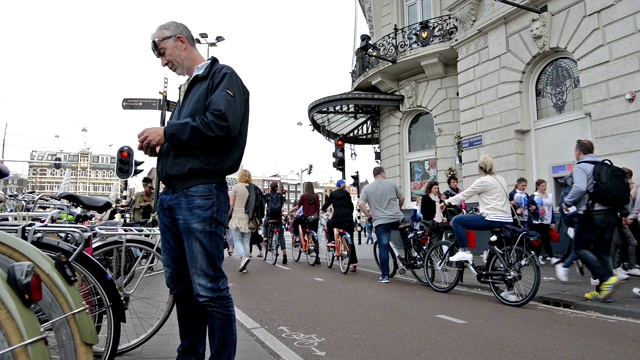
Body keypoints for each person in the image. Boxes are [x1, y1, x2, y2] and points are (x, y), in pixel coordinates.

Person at [137, 21, 249, 360]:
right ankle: (189, 354)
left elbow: (221, 124)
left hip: (199, 193)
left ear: (180, 40)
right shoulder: (188, 90)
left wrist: (168, 133)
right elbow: (195, 135)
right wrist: (164, 148)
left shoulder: (222, 77)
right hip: (174, 197)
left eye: (161, 51)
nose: (162, 61)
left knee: (209, 289)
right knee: (183, 289)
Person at [562, 139, 627, 302]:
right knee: (603, 252)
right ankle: (604, 292)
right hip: (611, 215)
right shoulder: (605, 165)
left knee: (579, 247)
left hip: (591, 215)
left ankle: (608, 278)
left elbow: (580, 188)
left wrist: (567, 202)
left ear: (578, 152)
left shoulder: (581, 167)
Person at [440, 155, 513, 264]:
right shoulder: (501, 179)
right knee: (494, 246)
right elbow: (497, 198)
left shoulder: (483, 181)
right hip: (507, 219)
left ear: (480, 168)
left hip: (492, 219)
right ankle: (491, 268)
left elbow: (465, 194)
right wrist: (482, 207)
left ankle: (464, 251)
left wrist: (446, 202)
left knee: (457, 221)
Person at [358, 166, 405, 283]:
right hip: (396, 218)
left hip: (381, 221)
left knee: (383, 247)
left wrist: (368, 215)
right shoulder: (391, 184)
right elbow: (402, 197)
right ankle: (411, 258)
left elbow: (361, 204)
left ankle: (385, 276)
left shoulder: (367, 188)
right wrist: (399, 208)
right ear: (383, 173)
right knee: (406, 237)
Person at [322, 180, 358, 271]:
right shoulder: (347, 194)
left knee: (329, 223)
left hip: (337, 219)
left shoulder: (333, 194)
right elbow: (351, 206)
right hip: (348, 220)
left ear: (337, 186)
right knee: (351, 242)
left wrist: (323, 210)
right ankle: (354, 262)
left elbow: (327, 204)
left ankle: (332, 241)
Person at [229, 169, 255, 271]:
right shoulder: (252, 188)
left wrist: (229, 213)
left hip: (238, 216)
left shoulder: (236, 187)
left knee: (237, 240)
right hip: (249, 217)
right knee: (246, 241)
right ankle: (244, 267)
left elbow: (232, 204)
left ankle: (243, 257)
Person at [528, 179, 559, 265]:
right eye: (542, 186)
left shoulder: (549, 195)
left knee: (545, 239)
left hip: (547, 221)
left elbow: (551, 209)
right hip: (538, 221)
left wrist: (552, 221)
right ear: (537, 186)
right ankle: (548, 257)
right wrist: (535, 210)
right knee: (542, 239)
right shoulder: (534, 196)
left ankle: (540, 257)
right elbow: (530, 208)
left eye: (545, 186)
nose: (544, 188)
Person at [290, 182, 321, 264]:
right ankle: (317, 256)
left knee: (295, 223)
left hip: (306, 218)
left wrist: (291, 210)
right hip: (314, 219)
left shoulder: (304, 196)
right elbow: (318, 207)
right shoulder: (316, 196)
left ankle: (297, 237)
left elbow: (299, 206)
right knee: (314, 236)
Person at [263, 181, 287, 264]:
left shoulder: (267, 195)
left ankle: (265, 239)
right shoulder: (280, 195)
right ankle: (284, 254)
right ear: (277, 188)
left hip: (269, 217)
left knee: (265, 225)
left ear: (270, 188)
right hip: (278, 218)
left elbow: (263, 203)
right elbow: (284, 201)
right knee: (281, 235)